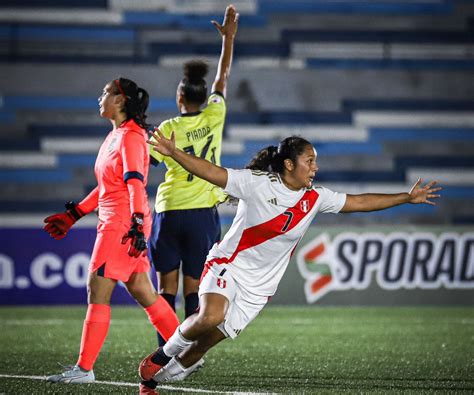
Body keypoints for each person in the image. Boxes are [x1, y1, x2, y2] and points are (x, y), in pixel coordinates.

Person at [138, 132, 442, 389]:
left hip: (259, 289)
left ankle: (153, 383)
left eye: (314, 162)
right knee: (211, 316)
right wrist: (174, 152)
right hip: (228, 265)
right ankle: (162, 355)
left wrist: (406, 196)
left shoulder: (316, 198)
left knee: (204, 345)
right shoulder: (257, 183)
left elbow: (360, 202)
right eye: (309, 161)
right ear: (288, 164)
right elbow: (210, 171)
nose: (315, 167)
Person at [43, 78, 179, 384]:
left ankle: (84, 368)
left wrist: (136, 224)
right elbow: (108, 186)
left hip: (121, 224)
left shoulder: (130, 137)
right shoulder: (117, 135)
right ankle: (185, 352)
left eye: (107, 92)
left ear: (120, 100)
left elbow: (134, 183)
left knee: (97, 288)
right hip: (122, 220)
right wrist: (74, 214)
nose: (101, 96)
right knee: (143, 290)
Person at [147, 4, 239, 348]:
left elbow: (146, 164)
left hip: (169, 210)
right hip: (202, 212)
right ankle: (189, 354)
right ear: (202, 97)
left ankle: (163, 351)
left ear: (179, 96)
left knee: (164, 288)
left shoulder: (168, 128)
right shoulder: (215, 114)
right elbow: (223, 77)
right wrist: (228, 40)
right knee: (195, 289)